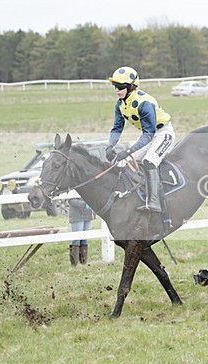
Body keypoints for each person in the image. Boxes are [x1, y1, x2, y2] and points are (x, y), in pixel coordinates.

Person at [105, 66, 175, 212]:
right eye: (115, 86)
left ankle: (155, 202)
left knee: (149, 161)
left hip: (163, 133)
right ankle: (136, 194)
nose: (116, 90)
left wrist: (128, 151)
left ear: (131, 86)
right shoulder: (120, 104)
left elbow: (148, 134)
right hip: (148, 135)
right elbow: (117, 128)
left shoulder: (144, 103)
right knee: (125, 162)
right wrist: (110, 146)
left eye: (120, 87)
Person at [68, 198, 95, 265]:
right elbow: (71, 200)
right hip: (77, 216)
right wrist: (85, 204)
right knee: (76, 240)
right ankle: (74, 263)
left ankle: (83, 262)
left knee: (84, 239)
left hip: (88, 215)